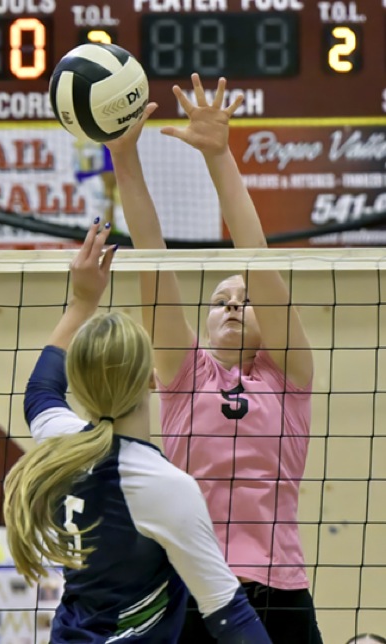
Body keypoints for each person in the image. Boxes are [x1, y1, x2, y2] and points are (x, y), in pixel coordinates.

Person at [105, 74, 323, 644]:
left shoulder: (289, 374)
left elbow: (258, 257)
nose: (232, 305)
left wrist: (219, 155)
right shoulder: (184, 374)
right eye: (220, 300)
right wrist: (124, 155)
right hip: (193, 588)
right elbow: (151, 258)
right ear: (203, 322)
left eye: (243, 299)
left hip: (279, 589)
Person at [3, 221, 272, 643]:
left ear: (81, 384)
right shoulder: (163, 484)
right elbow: (230, 616)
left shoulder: (59, 444)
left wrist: (82, 302)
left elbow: (41, 390)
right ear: (151, 379)